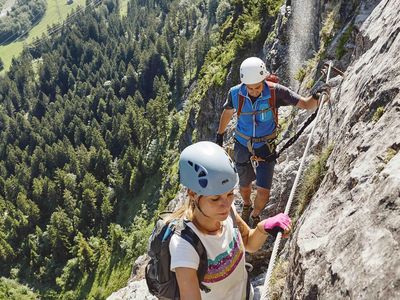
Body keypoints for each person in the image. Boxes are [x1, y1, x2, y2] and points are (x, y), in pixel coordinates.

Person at [168, 141, 291, 299]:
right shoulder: (184, 245)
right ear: (192, 193)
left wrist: (263, 228)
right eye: (215, 199)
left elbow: (248, 243)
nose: (226, 205)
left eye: (230, 194)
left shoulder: (228, 214)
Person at [216, 57, 329, 226]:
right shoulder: (235, 93)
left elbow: (305, 104)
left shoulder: (276, 92)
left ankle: (255, 214)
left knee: (264, 192)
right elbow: (227, 113)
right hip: (242, 143)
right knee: (244, 185)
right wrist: (220, 135)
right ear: (243, 83)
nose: (254, 91)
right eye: (250, 88)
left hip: (265, 146)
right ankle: (246, 204)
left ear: (264, 79)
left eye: (258, 86)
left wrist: (317, 96)